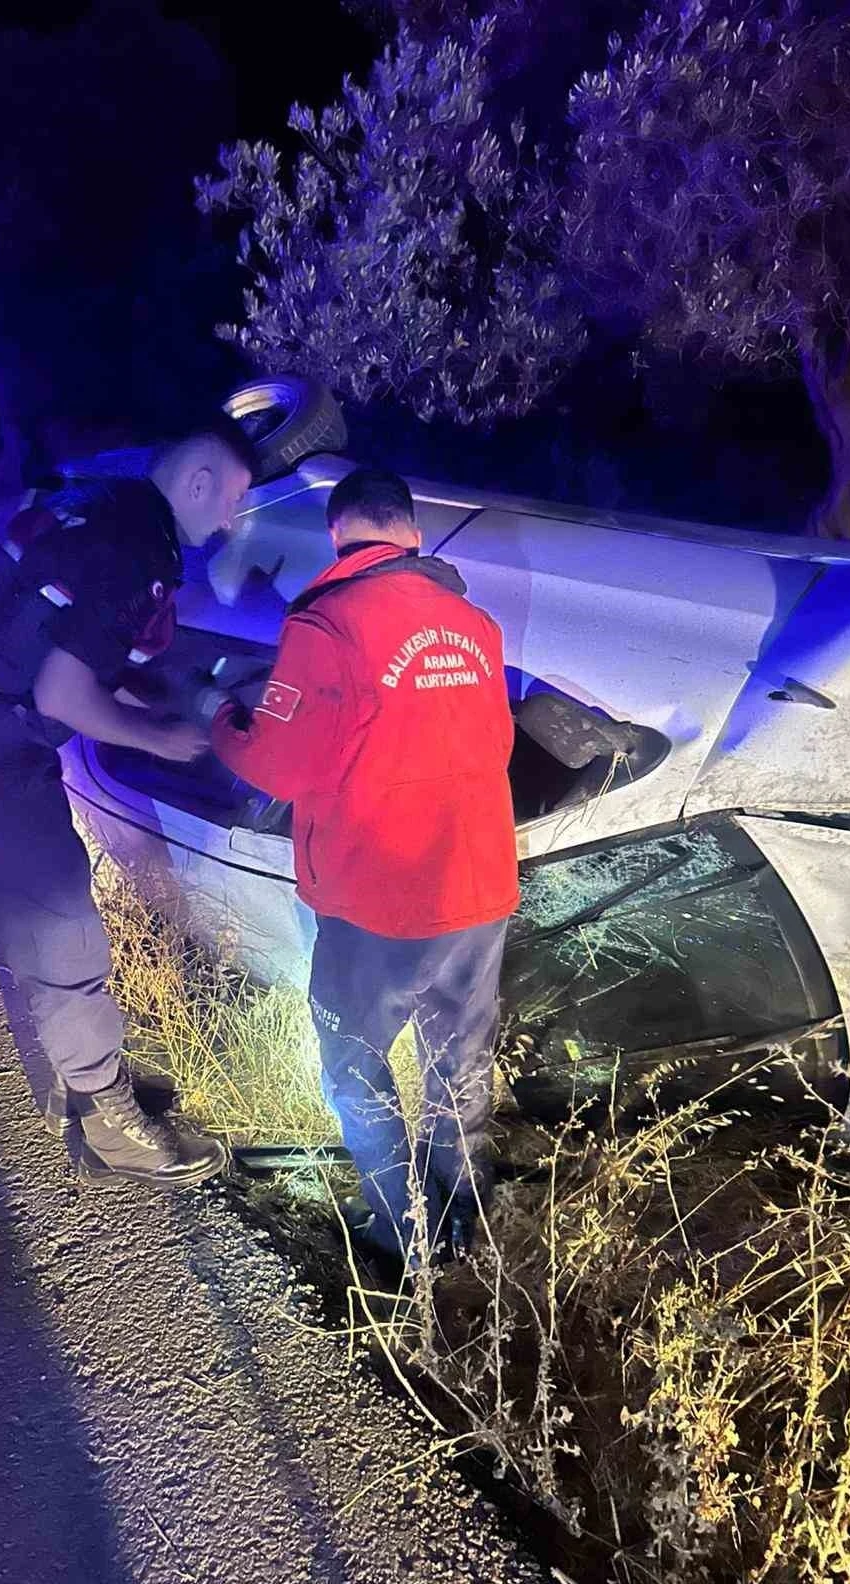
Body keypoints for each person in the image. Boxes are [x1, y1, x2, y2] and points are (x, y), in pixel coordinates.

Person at [0, 420, 256, 1190]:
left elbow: (66, 646)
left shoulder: (101, 503)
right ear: (197, 481)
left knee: (32, 907)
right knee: (64, 925)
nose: (230, 519)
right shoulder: (137, 550)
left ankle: (79, 1074)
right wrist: (160, 738)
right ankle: (108, 1124)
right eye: (232, 498)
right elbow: (65, 693)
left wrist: (160, 698)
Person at [212, 468, 520, 1269]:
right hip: (480, 882)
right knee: (461, 1059)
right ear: (412, 535)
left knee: (353, 1064)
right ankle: (468, 1214)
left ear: (336, 533)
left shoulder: (328, 622)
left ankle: (402, 1228)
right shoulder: (475, 625)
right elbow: (495, 743)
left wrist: (223, 721)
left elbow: (278, 766)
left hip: (379, 895)